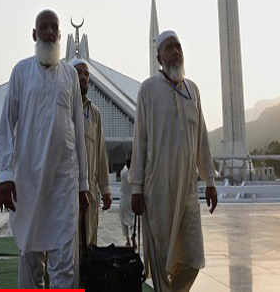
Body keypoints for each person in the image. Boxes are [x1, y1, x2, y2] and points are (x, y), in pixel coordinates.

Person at [0, 9, 89, 289]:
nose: (49, 31)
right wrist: (5, 176)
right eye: (43, 27)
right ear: (35, 35)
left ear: (60, 35)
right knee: (30, 253)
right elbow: (5, 126)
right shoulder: (21, 71)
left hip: (63, 180)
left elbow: (78, 130)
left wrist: (83, 184)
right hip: (29, 180)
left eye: (53, 27)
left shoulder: (70, 75)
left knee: (64, 259)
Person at [130, 31, 218, 292]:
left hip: (188, 188)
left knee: (192, 258)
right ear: (159, 56)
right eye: (169, 47)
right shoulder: (148, 89)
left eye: (178, 46)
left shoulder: (193, 90)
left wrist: (210, 180)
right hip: (157, 187)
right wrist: (136, 188)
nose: (175, 51)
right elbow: (140, 140)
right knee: (160, 256)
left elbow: (201, 136)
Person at [72, 58, 111, 248]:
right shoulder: (62, 107)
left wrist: (105, 190)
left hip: (90, 192)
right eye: (78, 72)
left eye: (86, 74)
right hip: (67, 189)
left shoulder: (94, 113)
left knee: (88, 243)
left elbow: (100, 153)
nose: (82, 77)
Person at [119, 158, 135, 247]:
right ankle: (133, 236)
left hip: (123, 199)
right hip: (131, 199)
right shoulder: (133, 175)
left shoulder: (123, 173)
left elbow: (125, 168)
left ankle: (128, 240)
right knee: (132, 221)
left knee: (123, 220)